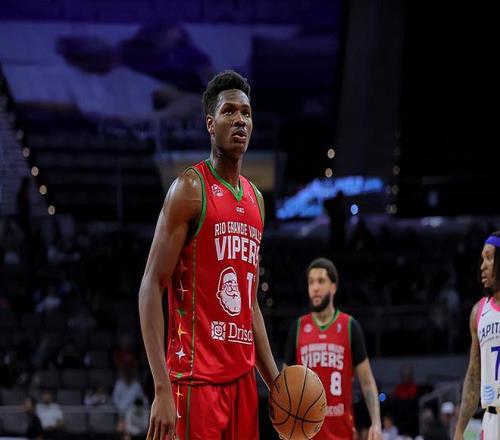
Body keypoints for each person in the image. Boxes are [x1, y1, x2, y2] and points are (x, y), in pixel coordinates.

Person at [138, 70, 279, 439]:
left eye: (246, 113)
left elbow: (250, 305)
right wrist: (162, 387)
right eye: (229, 111)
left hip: (243, 383)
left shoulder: (256, 200)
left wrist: (276, 384)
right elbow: (151, 286)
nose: (240, 120)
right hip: (194, 381)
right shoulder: (189, 189)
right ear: (210, 124)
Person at [284, 257, 382, 440]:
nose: (315, 287)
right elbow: (285, 385)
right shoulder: (297, 327)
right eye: (311, 282)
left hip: (341, 432)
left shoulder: (350, 326)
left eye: (321, 281)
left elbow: (367, 382)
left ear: (333, 287)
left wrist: (376, 423)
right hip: (306, 434)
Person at [454, 230, 500, 439]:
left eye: (489, 258)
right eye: (482, 259)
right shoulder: (479, 312)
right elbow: (473, 377)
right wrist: (459, 429)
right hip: (491, 420)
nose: (482, 266)